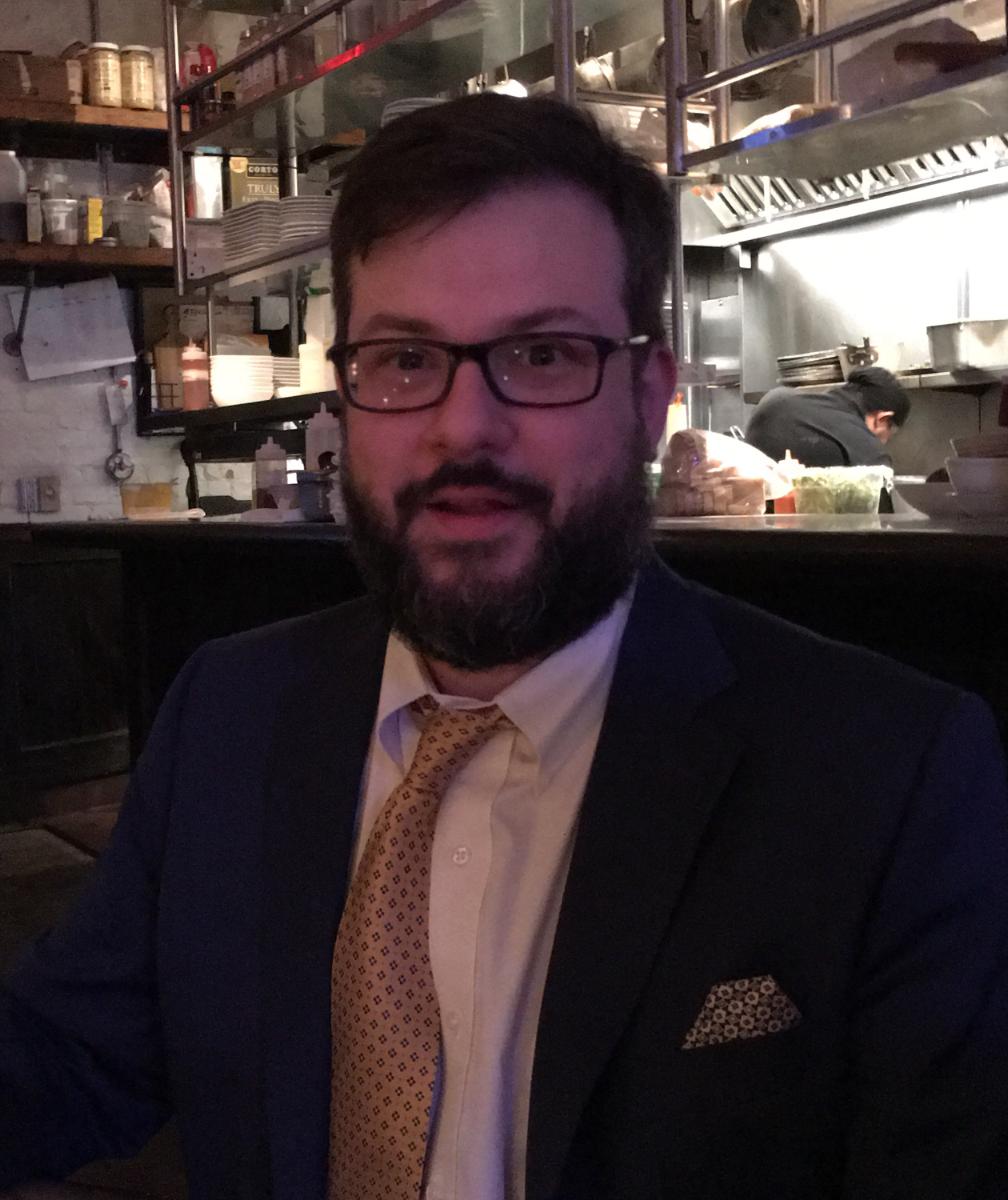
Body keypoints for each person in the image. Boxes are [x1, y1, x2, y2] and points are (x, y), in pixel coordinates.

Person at [2, 95, 1007, 1200]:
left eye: (541, 353)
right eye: (404, 359)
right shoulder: (229, 713)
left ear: (650, 396)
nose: (464, 427)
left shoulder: (887, 777)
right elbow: (70, 1054)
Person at [745, 366, 912, 467]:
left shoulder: (775, 399)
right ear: (882, 419)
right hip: (806, 516)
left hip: (747, 510)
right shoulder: (869, 451)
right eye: (888, 435)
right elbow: (883, 506)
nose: (883, 442)